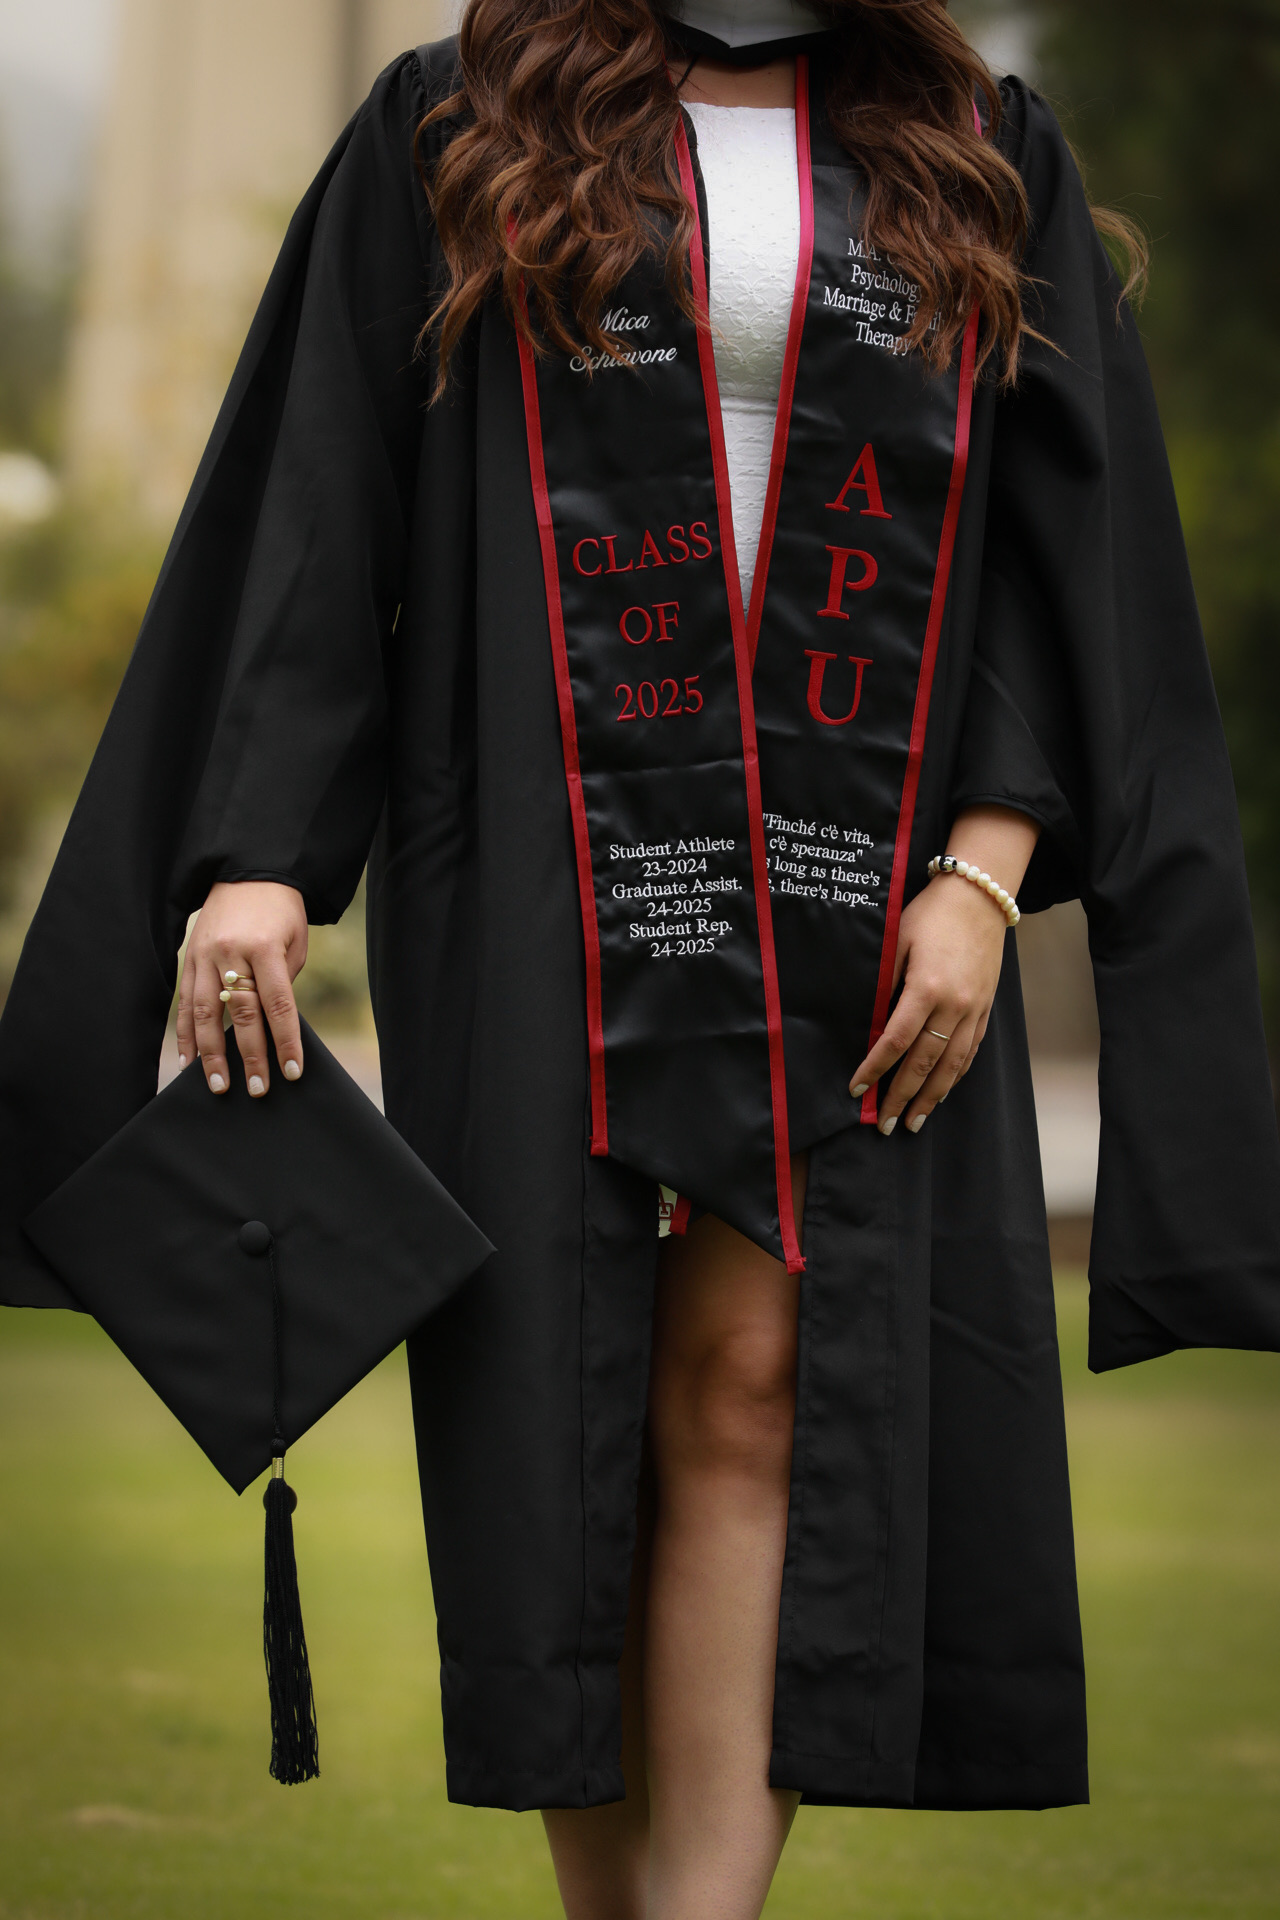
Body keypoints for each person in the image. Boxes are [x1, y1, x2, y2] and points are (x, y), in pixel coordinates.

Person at [3, 2, 1279, 1917]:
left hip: (865, 882)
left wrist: (986, 871)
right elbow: (323, 488)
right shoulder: (461, 115)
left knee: (766, 1383)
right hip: (545, 855)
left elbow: (1057, 549)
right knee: (563, 1412)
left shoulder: (970, 139)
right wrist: (260, 857)